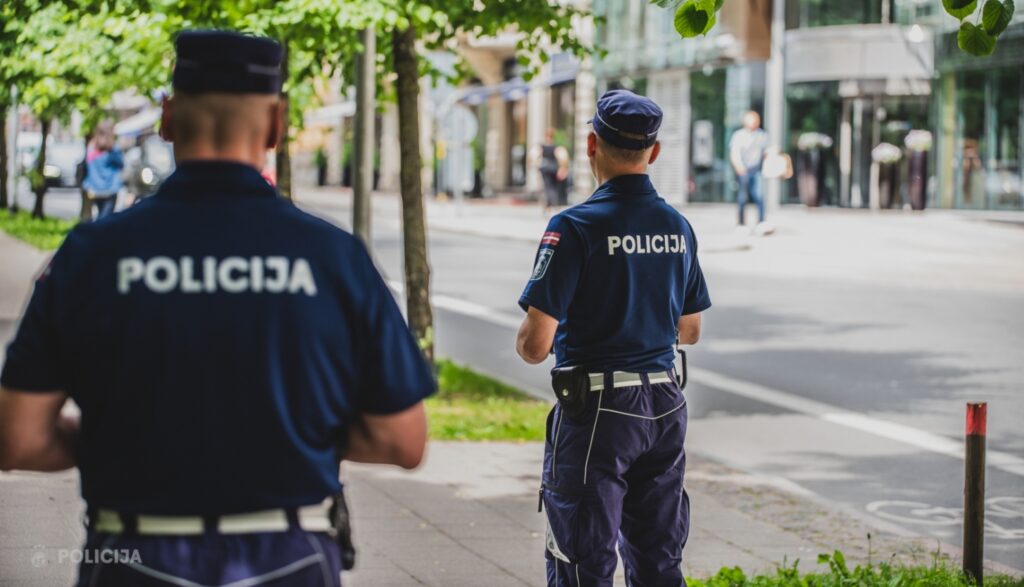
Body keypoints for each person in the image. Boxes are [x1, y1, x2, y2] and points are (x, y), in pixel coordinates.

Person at [0, 30, 435, 587]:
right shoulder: (333, 257)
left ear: (167, 117)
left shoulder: (91, 255)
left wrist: (131, 433)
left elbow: (18, 436)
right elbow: (402, 439)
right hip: (290, 557)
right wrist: (279, 436)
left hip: (132, 557)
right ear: (276, 125)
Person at [516, 89, 711, 586]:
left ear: (591, 145)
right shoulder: (677, 226)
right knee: (659, 558)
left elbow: (534, 346)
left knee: (582, 558)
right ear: (654, 152)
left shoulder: (574, 227)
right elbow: (690, 329)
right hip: (665, 404)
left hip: (598, 410)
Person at [729, 110, 768, 232]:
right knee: (743, 197)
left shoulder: (762, 135)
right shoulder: (738, 135)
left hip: (756, 170)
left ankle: (761, 222)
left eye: (756, 119)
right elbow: (734, 153)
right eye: (752, 119)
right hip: (743, 170)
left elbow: (765, 153)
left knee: (759, 195)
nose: (754, 122)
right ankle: (741, 224)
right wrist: (738, 167)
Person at [82, 121, 124, 220]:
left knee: (99, 217)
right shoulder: (113, 148)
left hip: (94, 189)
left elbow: (87, 166)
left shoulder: (91, 147)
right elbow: (121, 164)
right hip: (110, 189)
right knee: (105, 219)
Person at [531, 128, 571, 210]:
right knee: (553, 186)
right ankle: (552, 203)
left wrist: (536, 164)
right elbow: (562, 158)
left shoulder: (542, 146)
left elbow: (533, 156)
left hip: (545, 169)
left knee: (548, 186)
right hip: (553, 168)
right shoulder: (556, 147)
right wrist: (562, 168)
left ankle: (551, 202)